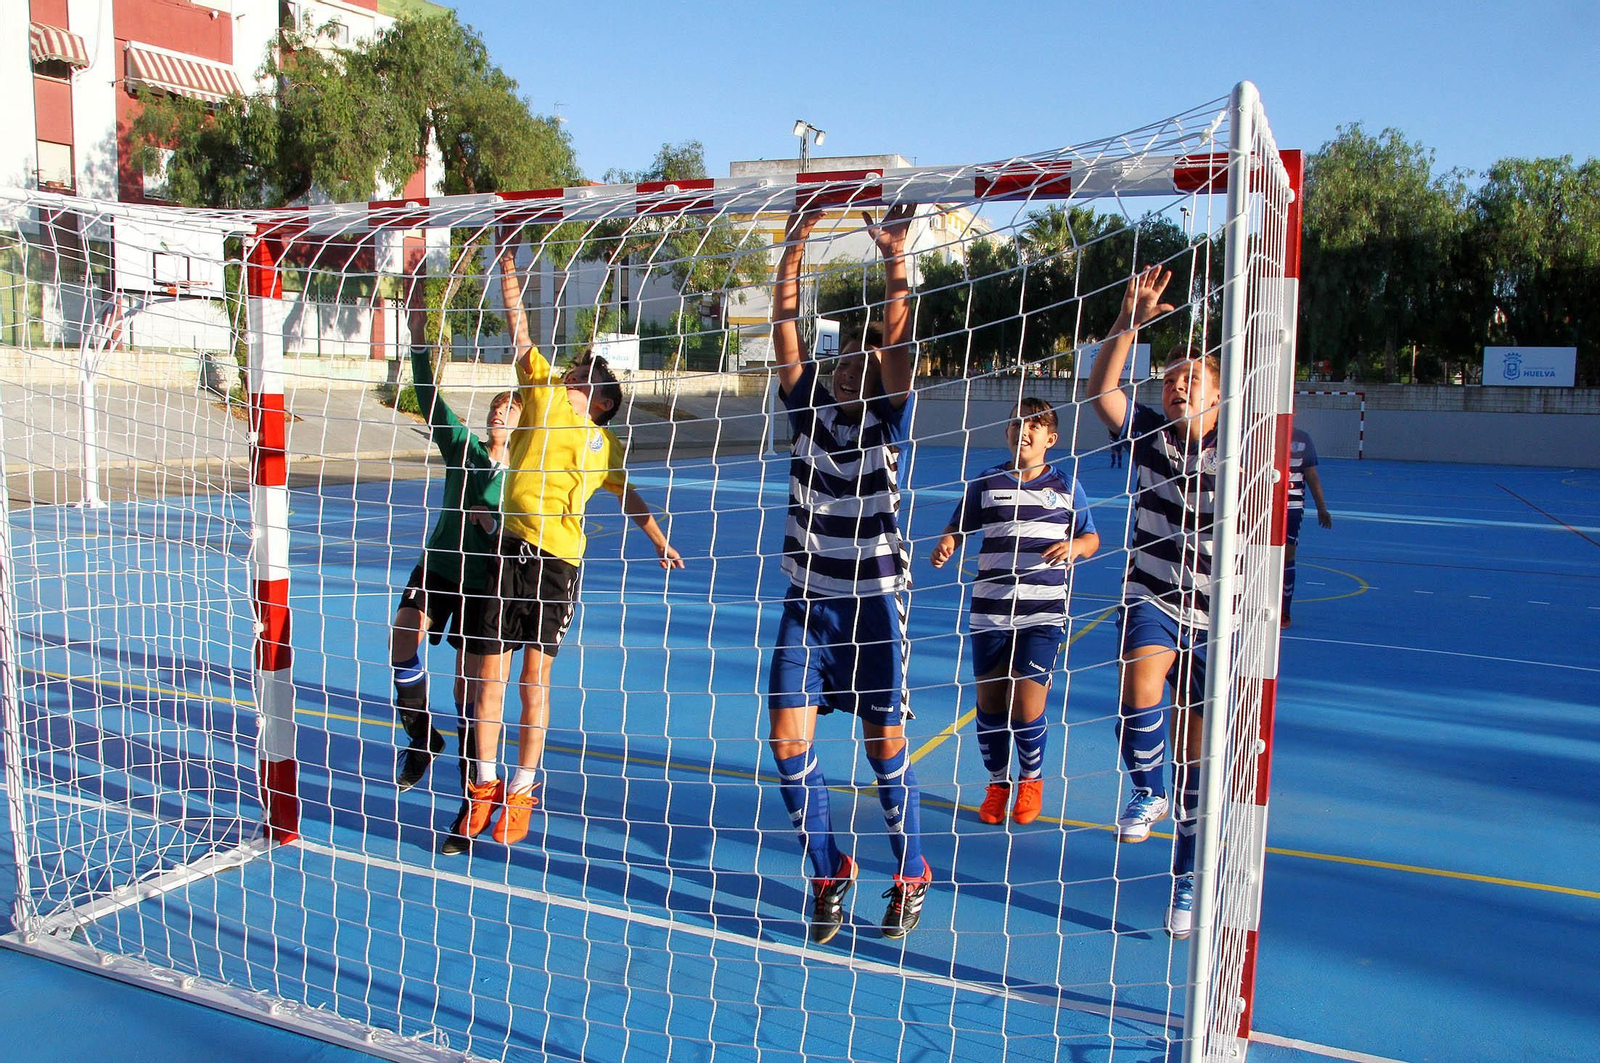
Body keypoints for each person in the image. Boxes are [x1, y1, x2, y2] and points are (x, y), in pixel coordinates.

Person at [447, 233, 684, 855]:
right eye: (579, 364)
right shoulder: (544, 389)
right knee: (489, 677)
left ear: (602, 400)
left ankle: (523, 787)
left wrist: (659, 540)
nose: (578, 367)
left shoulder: (605, 445)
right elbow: (519, 325)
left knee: (534, 677)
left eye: (589, 372)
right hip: (507, 549)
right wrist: (507, 266)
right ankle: (485, 785)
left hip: (559, 564)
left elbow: (627, 497)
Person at [767, 201, 931, 944]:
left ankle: (911, 869)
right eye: (835, 361)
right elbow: (785, 327)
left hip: (871, 603)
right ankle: (829, 869)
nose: (839, 367)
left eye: (854, 361)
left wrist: (896, 259)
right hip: (808, 601)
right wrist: (796, 242)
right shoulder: (806, 411)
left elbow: (897, 345)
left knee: (882, 747)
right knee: (785, 743)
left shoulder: (889, 417)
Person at [1086, 264, 1219, 941]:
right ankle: (1146, 785)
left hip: (1215, 616)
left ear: (1220, 397)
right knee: (1139, 683)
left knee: (1200, 762)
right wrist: (1128, 317)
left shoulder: (1243, 451)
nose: (1177, 385)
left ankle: (1187, 875)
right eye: (1170, 379)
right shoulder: (1148, 434)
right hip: (1155, 593)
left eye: (1192, 378)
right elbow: (1100, 388)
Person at [929, 398, 1099, 826]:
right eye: (1016, 424)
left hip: (1042, 613)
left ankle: (1032, 780)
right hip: (990, 611)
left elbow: (1091, 538)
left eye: (1034, 426)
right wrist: (949, 542)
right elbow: (959, 526)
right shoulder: (986, 483)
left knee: (1026, 706)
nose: (1023, 431)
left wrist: (1076, 547)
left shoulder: (1066, 487)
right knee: (990, 703)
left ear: (1050, 439)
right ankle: (997, 783)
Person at [389, 288, 518, 805]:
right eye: (497, 405)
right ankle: (421, 738)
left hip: (483, 584)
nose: (501, 412)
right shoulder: (462, 447)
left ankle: (470, 796)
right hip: (439, 567)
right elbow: (429, 396)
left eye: (511, 408)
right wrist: (419, 337)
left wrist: (493, 528)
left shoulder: (525, 476)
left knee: (470, 692)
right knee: (402, 637)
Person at [1282, 426, 1333, 627]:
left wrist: (1322, 507)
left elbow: (1311, 474)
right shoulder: (1258, 434)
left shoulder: (1302, 438)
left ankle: (1285, 610)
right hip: (1261, 505)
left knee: (1287, 555)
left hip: (1292, 506)